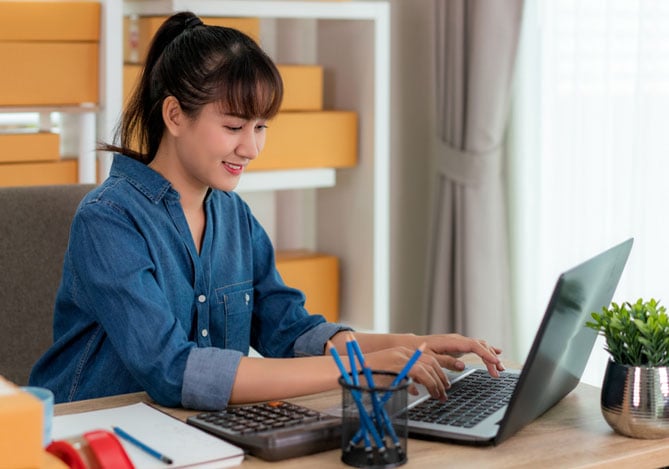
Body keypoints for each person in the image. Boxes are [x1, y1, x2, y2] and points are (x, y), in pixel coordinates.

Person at [29, 12, 504, 410]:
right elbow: (173, 371)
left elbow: (291, 332)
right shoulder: (109, 219)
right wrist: (355, 367)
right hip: (95, 436)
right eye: (234, 125)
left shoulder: (234, 217)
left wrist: (409, 343)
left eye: (260, 126)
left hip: (196, 432)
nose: (251, 147)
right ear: (174, 115)